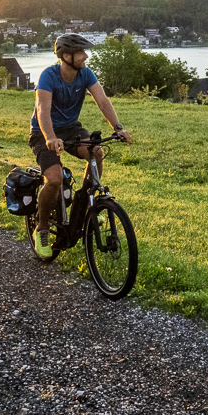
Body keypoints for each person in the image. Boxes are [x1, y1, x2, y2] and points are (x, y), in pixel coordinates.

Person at [30, 32, 131, 260]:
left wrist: (118, 128)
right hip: (43, 132)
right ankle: (42, 228)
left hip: (70, 129)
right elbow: (43, 110)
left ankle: (86, 205)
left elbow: (102, 100)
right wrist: (50, 137)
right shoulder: (48, 76)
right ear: (66, 56)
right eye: (81, 52)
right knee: (54, 179)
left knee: (97, 152)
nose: (86, 56)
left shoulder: (86, 74)